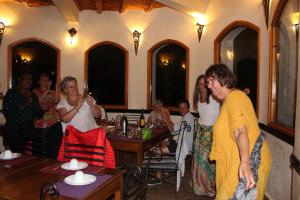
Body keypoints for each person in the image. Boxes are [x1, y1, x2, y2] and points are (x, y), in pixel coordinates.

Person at [205, 64, 272, 200]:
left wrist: (245, 163)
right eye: (207, 82)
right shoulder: (230, 100)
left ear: (223, 78)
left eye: (211, 81)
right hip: (236, 160)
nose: (208, 86)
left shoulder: (234, 98)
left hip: (248, 160)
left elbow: (241, 131)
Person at [191, 74, 220, 196]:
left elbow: (228, 96)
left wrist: (242, 92)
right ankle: (199, 186)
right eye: (200, 83)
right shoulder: (198, 98)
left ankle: (209, 187)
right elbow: (202, 115)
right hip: (200, 131)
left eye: (204, 83)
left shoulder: (214, 97)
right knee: (198, 160)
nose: (202, 85)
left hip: (211, 133)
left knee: (208, 161)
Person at [2, 72, 43, 152]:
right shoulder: (11, 93)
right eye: (27, 79)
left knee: (29, 158)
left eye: (30, 79)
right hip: (13, 131)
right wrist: (23, 105)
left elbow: (37, 113)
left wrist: (47, 112)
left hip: (29, 131)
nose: (30, 81)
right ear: (19, 79)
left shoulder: (33, 95)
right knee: (12, 159)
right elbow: (6, 111)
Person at [33, 73, 62, 159]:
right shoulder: (35, 91)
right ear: (39, 82)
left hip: (53, 119)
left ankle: (54, 157)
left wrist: (57, 88)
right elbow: (38, 102)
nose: (46, 82)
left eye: (47, 80)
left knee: (56, 140)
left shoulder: (52, 92)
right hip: (41, 119)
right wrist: (47, 90)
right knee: (45, 143)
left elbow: (57, 101)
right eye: (43, 80)